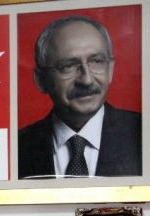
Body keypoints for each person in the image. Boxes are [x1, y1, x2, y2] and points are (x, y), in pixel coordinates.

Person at [18, 15, 142, 179]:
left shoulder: (145, 135)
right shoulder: (16, 148)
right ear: (41, 80)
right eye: (68, 66)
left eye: (96, 61)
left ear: (110, 69)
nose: (86, 80)